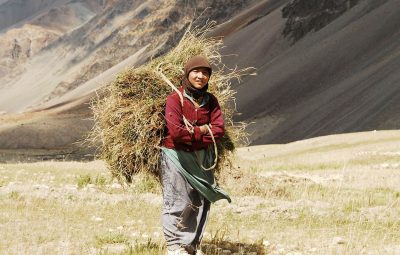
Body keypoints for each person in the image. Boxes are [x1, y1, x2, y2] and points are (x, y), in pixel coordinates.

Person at [160, 55, 231, 255]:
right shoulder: (175, 99)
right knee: (178, 201)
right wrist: (204, 130)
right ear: (187, 74)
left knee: (201, 200)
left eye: (205, 73)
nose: (200, 76)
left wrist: (195, 131)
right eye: (196, 72)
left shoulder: (211, 101)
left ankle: (191, 245)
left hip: (202, 158)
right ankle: (175, 246)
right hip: (176, 157)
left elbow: (219, 130)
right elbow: (177, 133)